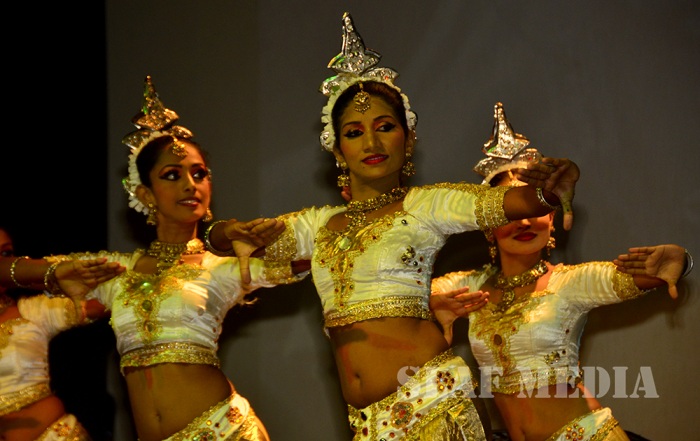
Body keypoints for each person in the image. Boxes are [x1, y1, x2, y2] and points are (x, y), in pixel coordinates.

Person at [206, 12, 583, 440]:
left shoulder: (425, 205)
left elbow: (506, 203)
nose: (371, 142)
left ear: (408, 138)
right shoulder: (318, 225)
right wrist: (225, 233)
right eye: (354, 132)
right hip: (368, 424)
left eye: (385, 127)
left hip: (432, 402)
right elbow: (233, 238)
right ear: (337, 149)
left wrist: (549, 193)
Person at [0, 76, 307, 441]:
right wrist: (54, 273)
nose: (190, 184)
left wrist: (224, 235)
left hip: (223, 432)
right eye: (172, 175)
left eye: (199, 174)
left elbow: (311, 254)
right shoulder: (114, 271)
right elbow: (7, 270)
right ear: (145, 194)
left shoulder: (222, 267)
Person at [429, 102, 692, 441]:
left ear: (551, 218)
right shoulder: (468, 287)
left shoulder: (569, 283)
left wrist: (681, 261)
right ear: (489, 227)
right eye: (512, 212)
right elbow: (401, 295)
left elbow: (641, 275)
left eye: (534, 209)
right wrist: (432, 307)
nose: (524, 222)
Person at [0, 225, 124, 441]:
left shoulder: (32, 312)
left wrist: (47, 274)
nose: (2, 264)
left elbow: (112, 299)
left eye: (5, 254)